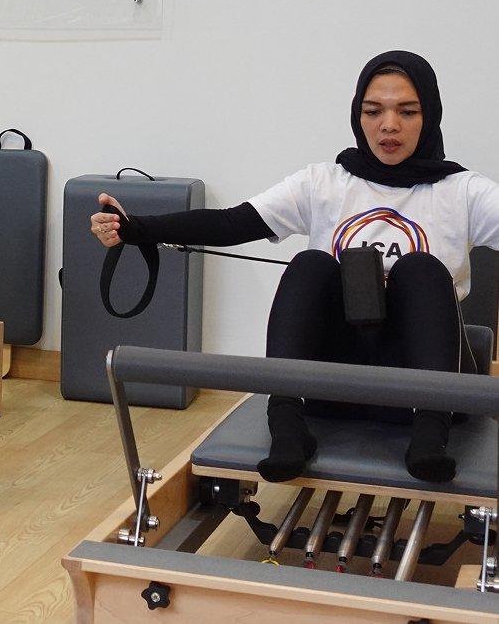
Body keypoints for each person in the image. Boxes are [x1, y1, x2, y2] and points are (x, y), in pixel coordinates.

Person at [90, 50, 499, 484]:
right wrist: (135, 228)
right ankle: (287, 427)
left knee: (420, 269)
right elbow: (233, 222)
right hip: (334, 384)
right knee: (310, 264)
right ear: (357, 116)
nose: (389, 125)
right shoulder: (324, 182)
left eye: (407, 111)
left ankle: (430, 435)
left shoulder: (462, 191)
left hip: (425, 383)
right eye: (373, 111)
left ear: (429, 115)